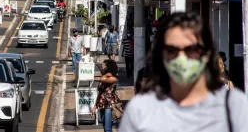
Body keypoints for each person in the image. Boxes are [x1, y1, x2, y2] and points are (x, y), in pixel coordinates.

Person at [118, 12, 248, 132]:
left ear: (207, 54)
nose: (181, 58)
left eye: (191, 49)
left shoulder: (234, 106)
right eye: (172, 50)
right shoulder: (140, 110)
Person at [91, 59, 119, 132]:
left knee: (107, 128)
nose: (101, 68)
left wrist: (108, 73)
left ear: (107, 67)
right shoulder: (104, 77)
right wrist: (95, 106)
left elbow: (103, 79)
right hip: (102, 104)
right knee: (105, 127)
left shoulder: (114, 78)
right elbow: (100, 93)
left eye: (102, 66)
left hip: (109, 105)